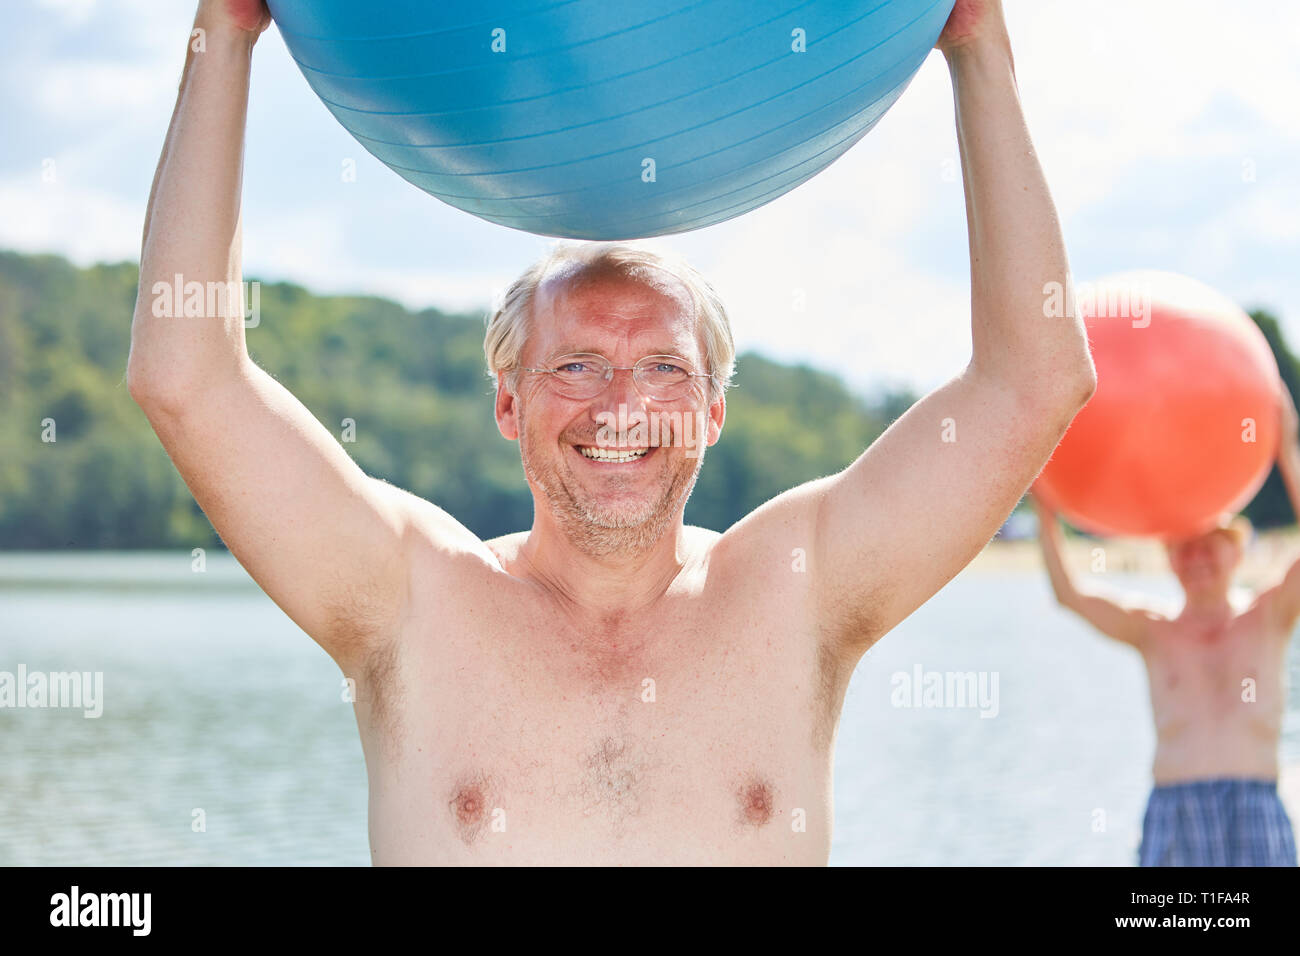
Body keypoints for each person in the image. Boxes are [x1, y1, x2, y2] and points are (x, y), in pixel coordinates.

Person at [128, 0, 1094, 864]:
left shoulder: (801, 587)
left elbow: (1033, 382)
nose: (622, 407)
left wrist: (980, 48)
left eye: (666, 369)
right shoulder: (407, 596)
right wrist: (225, 34)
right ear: (509, 403)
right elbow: (185, 379)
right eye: (576, 366)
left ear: (713, 411)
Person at [1033, 391, 1300, 867]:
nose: (1196, 559)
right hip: (1176, 812)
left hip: (1256, 809)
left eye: (1209, 545)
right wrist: (1047, 500)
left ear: (1235, 551)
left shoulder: (1270, 616)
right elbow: (1068, 593)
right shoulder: (1153, 631)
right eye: (1183, 549)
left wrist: (1288, 449)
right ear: (1169, 562)